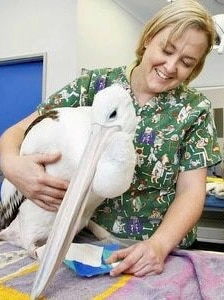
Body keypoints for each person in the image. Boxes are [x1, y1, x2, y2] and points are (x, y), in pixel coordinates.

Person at [0, 0, 222, 277]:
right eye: (166, 50)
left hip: (155, 253)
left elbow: (191, 191)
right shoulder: (94, 86)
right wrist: (11, 164)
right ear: (148, 39)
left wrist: (158, 245)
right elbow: (16, 132)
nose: (170, 66)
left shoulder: (194, 109)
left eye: (186, 62)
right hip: (83, 243)